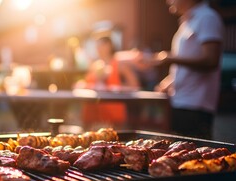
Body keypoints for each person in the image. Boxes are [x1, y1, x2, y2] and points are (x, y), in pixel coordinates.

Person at [151, 0, 224, 139]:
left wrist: (169, 58)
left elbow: (211, 60)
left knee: (195, 155)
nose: (169, 1)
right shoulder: (187, 22)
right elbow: (186, 66)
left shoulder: (207, 18)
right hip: (179, 101)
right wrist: (168, 83)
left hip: (196, 105)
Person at [77, 36, 140, 130]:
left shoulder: (119, 64)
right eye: (97, 46)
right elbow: (86, 82)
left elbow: (135, 86)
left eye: (101, 45)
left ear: (109, 46)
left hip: (113, 112)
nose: (98, 49)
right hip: (95, 113)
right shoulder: (94, 65)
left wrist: (116, 88)